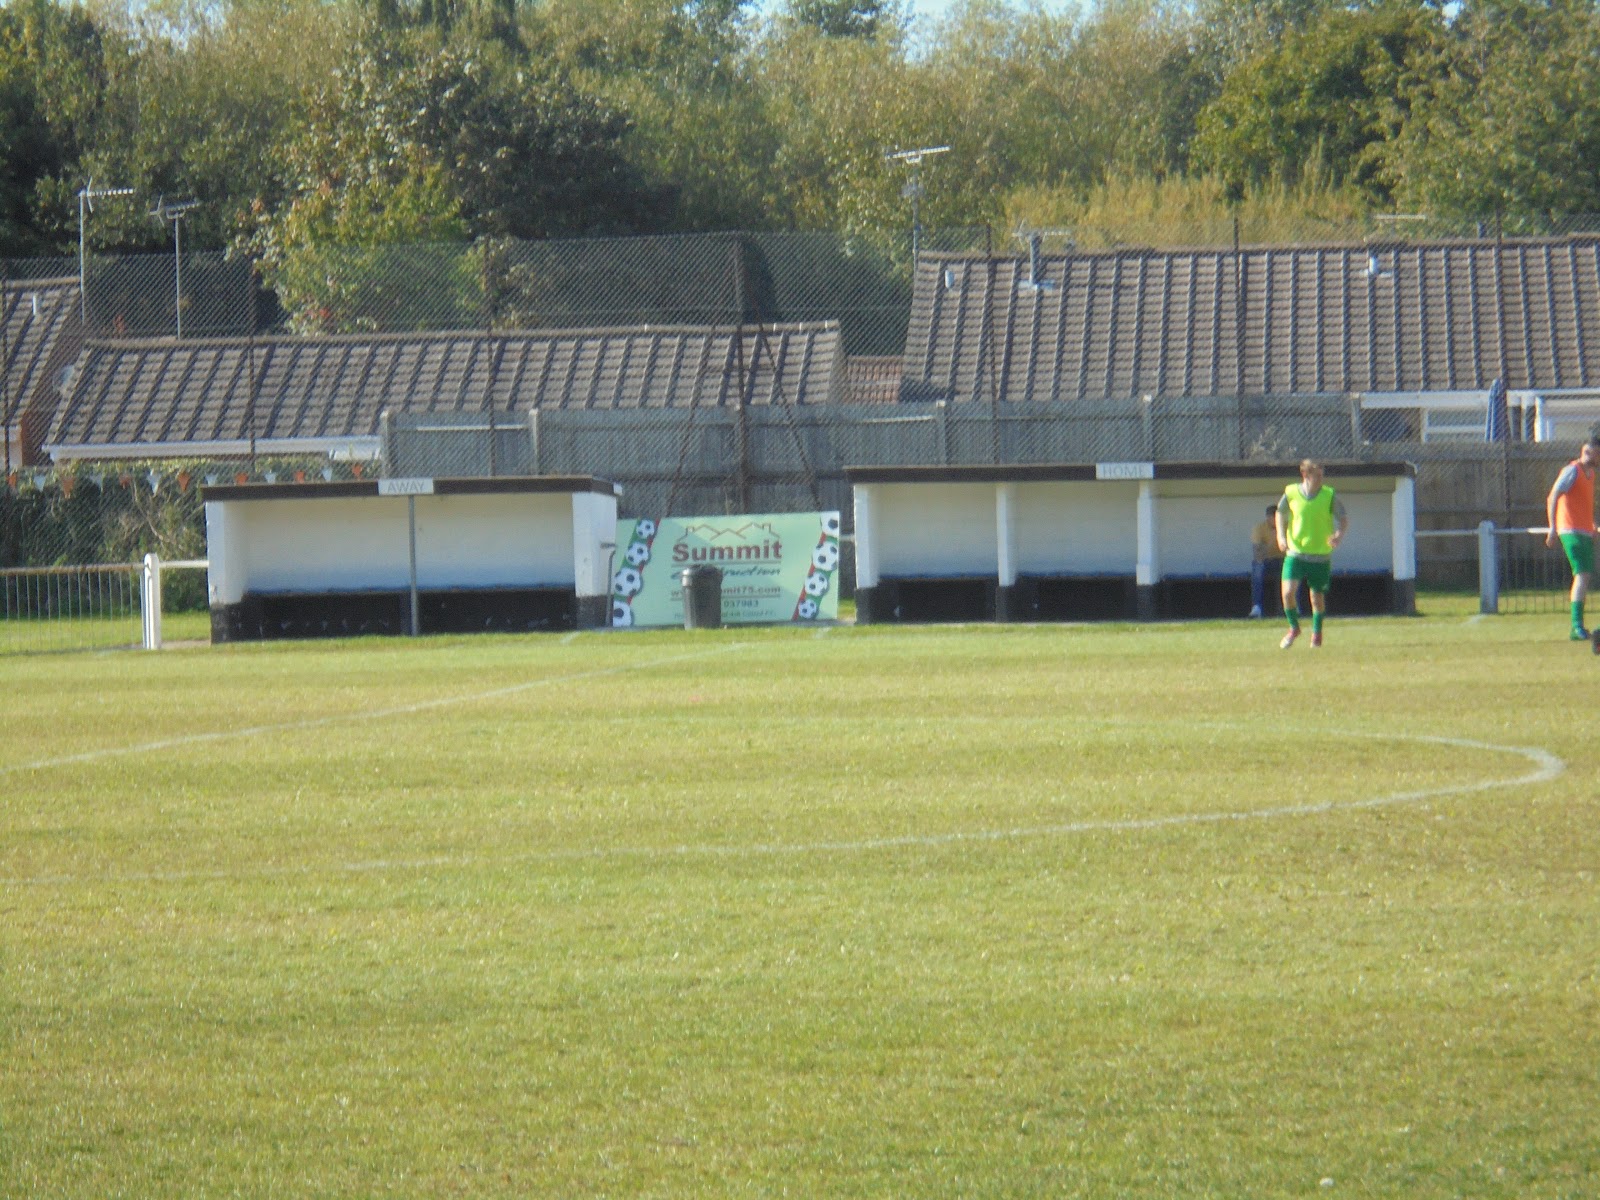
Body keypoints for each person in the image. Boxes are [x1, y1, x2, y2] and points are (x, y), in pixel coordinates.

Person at [1276, 459, 1348, 649]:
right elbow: (1280, 513)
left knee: (1316, 598)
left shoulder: (1328, 495)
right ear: (1305, 475)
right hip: (1296, 552)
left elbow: (1343, 517)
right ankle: (1294, 628)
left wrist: (1338, 536)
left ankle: (1316, 634)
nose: (1320, 479)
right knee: (1287, 592)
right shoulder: (1291, 492)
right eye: (1317, 475)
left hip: (1320, 555)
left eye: (1322, 475)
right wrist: (1281, 537)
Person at [1544, 435, 1599, 642]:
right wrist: (1553, 527)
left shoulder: (1590, 474)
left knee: (1585, 575)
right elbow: (1553, 495)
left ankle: (1578, 626)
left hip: (1583, 531)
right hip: (1570, 530)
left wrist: (1591, 524)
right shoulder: (1572, 471)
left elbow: (1584, 503)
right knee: (1583, 574)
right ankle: (1576, 627)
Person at [1249, 504, 1279, 617]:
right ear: (1268, 518)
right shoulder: (1259, 528)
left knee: (1294, 569)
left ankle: (1293, 608)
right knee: (1258, 567)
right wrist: (1271, 543)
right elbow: (1257, 554)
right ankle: (1256, 607)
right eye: (1273, 518)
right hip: (1267, 561)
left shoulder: (1287, 527)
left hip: (1283, 560)